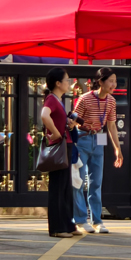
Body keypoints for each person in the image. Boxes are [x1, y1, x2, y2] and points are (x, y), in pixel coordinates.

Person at [73, 67, 123, 234]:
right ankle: (80, 220)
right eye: (111, 81)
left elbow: (111, 125)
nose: (114, 84)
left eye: (115, 81)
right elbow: (73, 120)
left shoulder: (111, 101)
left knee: (96, 182)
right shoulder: (85, 99)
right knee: (79, 181)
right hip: (82, 138)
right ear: (100, 82)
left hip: (98, 139)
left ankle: (97, 221)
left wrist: (118, 149)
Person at [41, 67, 80, 238]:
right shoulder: (51, 99)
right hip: (59, 147)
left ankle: (68, 225)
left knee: (65, 188)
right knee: (58, 188)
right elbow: (44, 115)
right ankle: (57, 228)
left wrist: (67, 126)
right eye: (66, 80)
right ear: (58, 83)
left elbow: (54, 119)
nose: (69, 83)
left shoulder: (58, 99)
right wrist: (56, 132)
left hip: (66, 146)